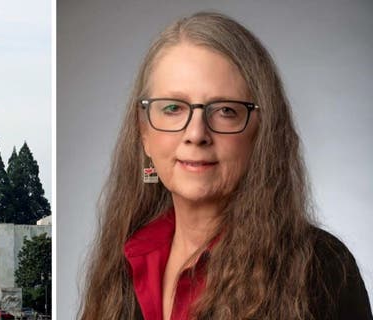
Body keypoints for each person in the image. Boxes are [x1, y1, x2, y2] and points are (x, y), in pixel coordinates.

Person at [79, 12, 372, 320]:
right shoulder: (123, 262)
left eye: (225, 111)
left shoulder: (321, 269)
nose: (196, 134)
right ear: (145, 133)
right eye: (173, 108)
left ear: (262, 132)